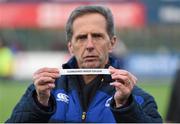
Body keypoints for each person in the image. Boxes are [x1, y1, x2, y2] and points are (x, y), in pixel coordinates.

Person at [6, 5, 162, 123]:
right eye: (81, 38)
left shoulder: (138, 99)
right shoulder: (42, 91)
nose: (89, 45)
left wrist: (126, 107)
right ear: (70, 46)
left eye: (97, 36)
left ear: (112, 43)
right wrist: (39, 105)